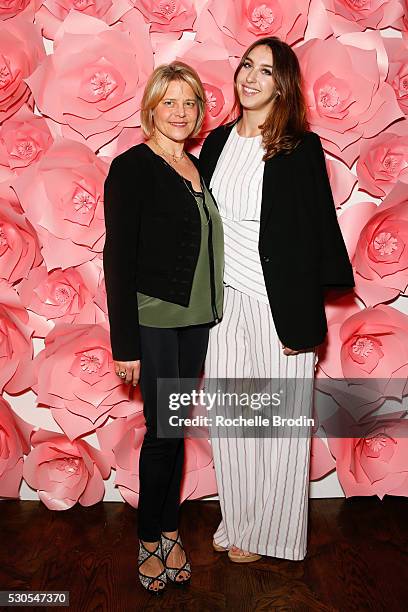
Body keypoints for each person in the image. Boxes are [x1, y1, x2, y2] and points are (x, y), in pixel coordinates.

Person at [199, 37, 354, 563]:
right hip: (224, 309)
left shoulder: (299, 148)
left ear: (281, 84)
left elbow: (315, 235)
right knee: (233, 422)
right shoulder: (216, 143)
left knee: (281, 429)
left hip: (278, 308)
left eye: (265, 71)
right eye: (247, 65)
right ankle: (240, 524)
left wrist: (306, 324)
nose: (251, 77)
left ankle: (277, 534)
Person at [103, 62, 224, 593]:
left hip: (196, 320)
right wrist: (125, 343)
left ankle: (170, 528)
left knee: (173, 430)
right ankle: (151, 537)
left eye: (190, 102)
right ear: (152, 107)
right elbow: (117, 258)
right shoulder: (132, 166)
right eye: (169, 102)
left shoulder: (199, 168)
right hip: (155, 319)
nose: (180, 112)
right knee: (164, 431)